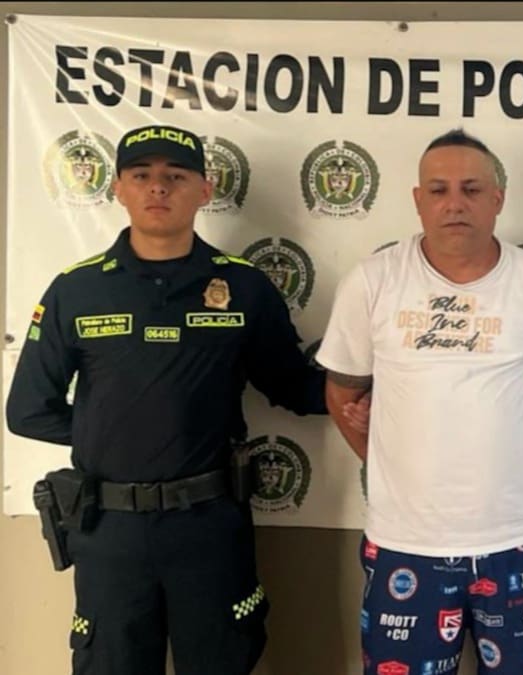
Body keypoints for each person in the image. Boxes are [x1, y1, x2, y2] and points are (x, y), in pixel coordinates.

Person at [5, 124, 330, 674]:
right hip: (109, 532)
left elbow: (294, 387)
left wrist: (391, 390)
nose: (158, 187)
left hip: (209, 526)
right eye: (141, 175)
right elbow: (28, 410)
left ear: (204, 190)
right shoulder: (76, 290)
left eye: (176, 176)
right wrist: (125, 430)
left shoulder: (244, 287)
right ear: (118, 189)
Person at [317, 128, 523, 675]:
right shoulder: (372, 282)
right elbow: (343, 395)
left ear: (498, 198)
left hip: (521, 541)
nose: (455, 203)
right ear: (418, 200)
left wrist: (517, 450)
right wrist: (394, 464)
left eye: (471, 189)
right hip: (405, 544)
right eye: (438, 190)